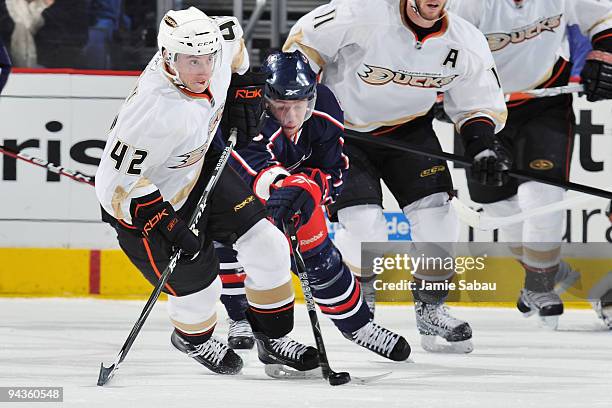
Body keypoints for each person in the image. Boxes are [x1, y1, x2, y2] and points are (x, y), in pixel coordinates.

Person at [95, 7, 319, 376]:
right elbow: (112, 189)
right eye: (192, 61)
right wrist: (162, 219)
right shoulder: (151, 112)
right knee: (201, 291)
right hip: (149, 209)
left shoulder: (219, 42)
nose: (203, 71)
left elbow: (235, 44)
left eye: (208, 59)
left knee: (270, 245)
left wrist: (244, 87)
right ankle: (194, 340)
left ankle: (272, 339)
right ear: (169, 59)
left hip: (198, 169)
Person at [282, 0, 509, 353]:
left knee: (439, 219)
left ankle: (431, 308)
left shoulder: (465, 40)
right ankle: (360, 302)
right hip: (344, 133)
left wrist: (482, 148)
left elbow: (476, 103)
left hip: (409, 132)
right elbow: (303, 44)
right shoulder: (363, 12)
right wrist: (297, 103)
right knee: (366, 227)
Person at [218, 50, 411, 361]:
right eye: (281, 107)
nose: (291, 117)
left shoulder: (325, 104)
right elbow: (250, 164)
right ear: (267, 101)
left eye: (298, 106)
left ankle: (358, 325)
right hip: (240, 191)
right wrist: (285, 185)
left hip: (294, 190)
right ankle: (249, 323)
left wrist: (309, 189)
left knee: (318, 254)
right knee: (237, 246)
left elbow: (334, 169)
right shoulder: (249, 111)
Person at [448, 0, 612, 329]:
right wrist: (440, 91)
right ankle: (548, 270)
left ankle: (538, 285)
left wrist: (605, 52)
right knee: (498, 205)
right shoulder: (469, 5)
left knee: (542, 197)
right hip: (482, 109)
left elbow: (603, 17)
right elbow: (440, 48)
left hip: (545, 102)